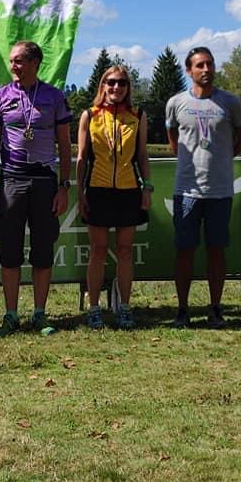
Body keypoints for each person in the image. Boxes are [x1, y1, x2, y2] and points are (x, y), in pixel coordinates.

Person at [0, 40, 72, 336]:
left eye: (19, 61)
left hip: (45, 180)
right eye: (11, 61)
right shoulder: (0, 97)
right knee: (9, 249)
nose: (13, 67)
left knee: (42, 248)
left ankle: (39, 313)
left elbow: (64, 144)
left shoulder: (54, 97)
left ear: (35, 63)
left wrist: (64, 186)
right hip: (11, 179)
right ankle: (10, 314)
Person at [166, 46, 241, 329]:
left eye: (210, 64)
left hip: (220, 191)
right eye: (200, 65)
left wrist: (224, 158)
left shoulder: (230, 102)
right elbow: (172, 138)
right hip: (187, 190)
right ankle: (182, 310)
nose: (206, 69)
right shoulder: (176, 102)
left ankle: (215, 309)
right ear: (189, 70)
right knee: (184, 250)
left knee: (216, 250)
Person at [76, 65, 151, 330]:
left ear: (128, 87)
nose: (116, 87)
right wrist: (79, 194)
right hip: (97, 189)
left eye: (121, 83)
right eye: (111, 82)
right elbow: (82, 158)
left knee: (125, 251)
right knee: (97, 251)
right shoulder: (89, 115)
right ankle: (94, 308)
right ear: (103, 85)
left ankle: (125, 308)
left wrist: (147, 188)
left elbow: (142, 155)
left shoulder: (138, 115)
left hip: (129, 190)